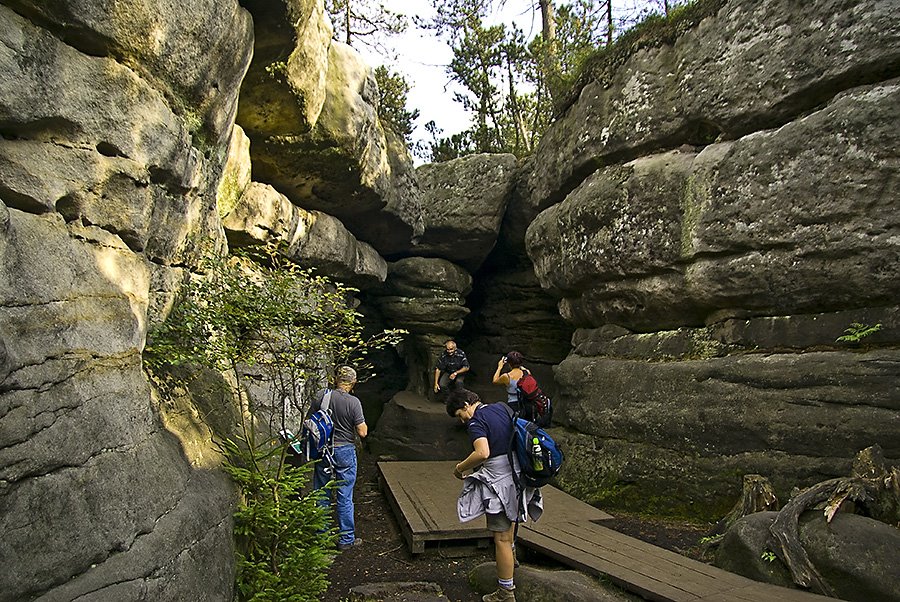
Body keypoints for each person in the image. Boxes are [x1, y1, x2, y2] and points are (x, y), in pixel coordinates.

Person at [447, 389, 542, 602]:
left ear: (465, 405)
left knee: (501, 537)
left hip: (500, 481)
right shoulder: (501, 407)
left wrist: (460, 468)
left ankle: (505, 592)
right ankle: (512, 561)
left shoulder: (476, 421)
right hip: (519, 474)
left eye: (460, 415)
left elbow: (483, 452)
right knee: (511, 526)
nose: (462, 421)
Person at [311, 365, 368, 550]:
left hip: (323, 449)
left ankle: (321, 538)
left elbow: (310, 422)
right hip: (344, 450)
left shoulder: (322, 397)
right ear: (353, 383)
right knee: (345, 494)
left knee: (322, 492)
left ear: (336, 380)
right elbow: (362, 432)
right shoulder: (354, 402)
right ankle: (346, 539)